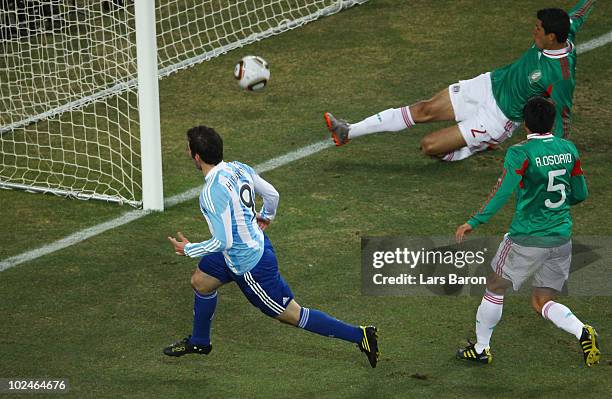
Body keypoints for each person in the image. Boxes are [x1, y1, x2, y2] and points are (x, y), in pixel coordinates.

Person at [163, 125, 380, 368]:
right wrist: (266, 215)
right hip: (247, 247)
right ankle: (200, 341)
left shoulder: (211, 193)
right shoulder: (238, 168)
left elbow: (223, 241)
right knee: (200, 281)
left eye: (188, 148)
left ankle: (360, 335)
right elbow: (272, 194)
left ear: (197, 156)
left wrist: (189, 249)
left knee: (293, 315)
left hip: (250, 267)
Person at [324, 1, 596, 161]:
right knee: (424, 109)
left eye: (537, 29)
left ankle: (477, 145)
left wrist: (558, 156)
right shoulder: (565, 30)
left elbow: (562, 116)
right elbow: (581, 11)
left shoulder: (560, 76)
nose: (533, 31)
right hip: (489, 84)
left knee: (429, 147)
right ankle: (347, 131)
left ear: (551, 37)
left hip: (498, 118)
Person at [454, 96, 599, 366]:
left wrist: (475, 221)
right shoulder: (568, 149)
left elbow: (503, 190)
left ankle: (482, 348)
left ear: (526, 125)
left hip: (527, 237)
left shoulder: (521, 153)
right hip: (561, 236)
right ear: (552, 122)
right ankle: (583, 331)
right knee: (542, 301)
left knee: (495, 287)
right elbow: (580, 193)